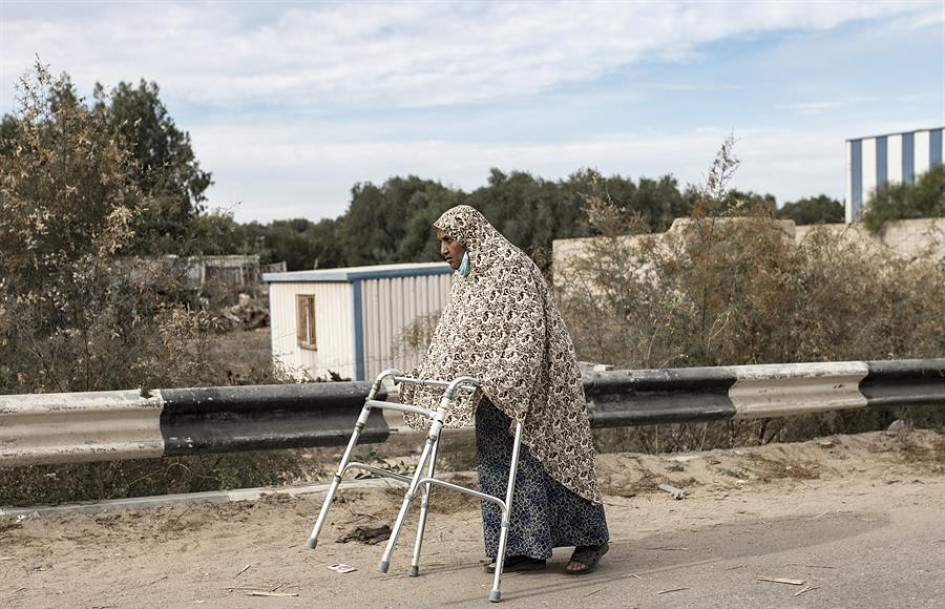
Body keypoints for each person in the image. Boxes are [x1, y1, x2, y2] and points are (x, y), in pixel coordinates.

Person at [400, 205, 610, 575]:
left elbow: (527, 333)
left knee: (556, 459)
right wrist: (431, 375)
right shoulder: (470, 280)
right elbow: (456, 339)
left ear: (470, 236)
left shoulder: (510, 267)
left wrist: (506, 377)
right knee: (501, 464)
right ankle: (521, 548)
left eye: (449, 239)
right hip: (492, 388)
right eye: (441, 242)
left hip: (540, 384)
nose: (443, 249)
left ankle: (591, 540)